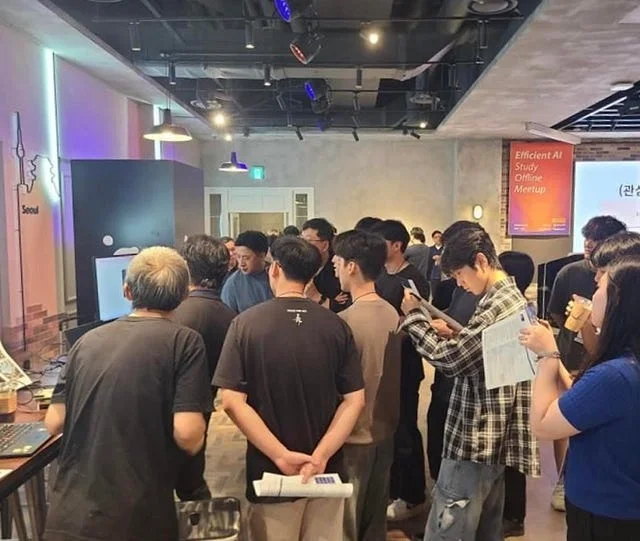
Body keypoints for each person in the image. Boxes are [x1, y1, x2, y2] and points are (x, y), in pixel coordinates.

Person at [44, 247, 211, 541]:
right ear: (184, 296)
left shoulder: (85, 342)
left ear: (127, 291)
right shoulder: (185, 342)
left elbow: (54, 422)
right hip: (136, 518)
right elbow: (188, 434)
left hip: (69, 516)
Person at [213, 236, 365, 541]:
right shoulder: (336, 325)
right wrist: (320, 456)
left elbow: (231, 401)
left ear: (275, 269)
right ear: (312, 275)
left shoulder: (246, 324)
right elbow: (355, 400)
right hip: (326, 472)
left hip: (270, 473)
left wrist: (280, 456)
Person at [400, 224, 540, 541]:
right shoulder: (508, 298)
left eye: (460, 275)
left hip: (474, 438)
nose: (460, 284)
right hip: (490, 438)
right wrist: (460, 335)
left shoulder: (497, 304)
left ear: (480, 261)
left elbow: (450, 360)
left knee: (450, 530)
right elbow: (485, 352)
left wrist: (414, 317)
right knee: (483, 529)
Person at [520, 256, 640, 541]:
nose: (593, 291)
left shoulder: (615, 374)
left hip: (606, 512)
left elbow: (543, 425)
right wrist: (554, 351)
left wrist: (547, 356)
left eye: (600, 286)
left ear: (617, 302)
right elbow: (583, 394)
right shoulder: (625, 364)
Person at [547, 215, 626, 511]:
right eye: (587, 240)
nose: (589, 246)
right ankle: (564, 478)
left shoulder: (625, 281)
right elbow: (557, 314)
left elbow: (541, 424)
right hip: (574, 361)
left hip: (607, 367)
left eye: (597, 242)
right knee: (567, 422)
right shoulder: (569, 273)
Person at [332, 230, 402, 541]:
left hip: (351, 434)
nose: (334, 267)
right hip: (385, 429)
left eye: (337, 261)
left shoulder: (344, 321)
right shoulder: (391, 312)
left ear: (352, 266)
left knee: (345, 522)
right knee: (374, 521)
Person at [372, 219, 430, 522]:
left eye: (381, 243)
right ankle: (393, 489)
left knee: (405, 429)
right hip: (383, 364)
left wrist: (395, 327)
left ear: (396, 245)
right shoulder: (380, 275)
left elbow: (418, 322)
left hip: (405, 365)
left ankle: (413, 495)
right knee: (389, 430)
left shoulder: (413, 280)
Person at [172, 234, 237, 501]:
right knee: (191, 483)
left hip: (164, 418)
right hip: (201, 413)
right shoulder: (233, 320)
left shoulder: (171, 315)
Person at [498, 250, 535, 538]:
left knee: (511, 457)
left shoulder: (514, 310)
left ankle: (513, 517)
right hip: (514, 391)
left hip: (512, 393)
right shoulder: (526, 307)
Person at [301, 218, 350, 312]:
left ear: (325, 245)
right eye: (301, 240)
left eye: (308, 241)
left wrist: (318, 297)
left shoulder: (338, 269)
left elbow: (342, 307)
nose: (302, 246)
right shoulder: (298, 265)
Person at [221, 230, 273, 312]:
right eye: (238, 257)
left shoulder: (276, 275)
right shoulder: (233, 283)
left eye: (246, 258)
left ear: (262, 255)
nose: (241, 263)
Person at [427, 230, 444, 299]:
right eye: (436, 237)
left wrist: (441, 258)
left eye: (440, 237)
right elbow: (428, 263)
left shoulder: (445, 249)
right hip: (433, 275)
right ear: (433, 239)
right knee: (434, 295)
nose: (438, 239)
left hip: (444, 275)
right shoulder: (429, 249)